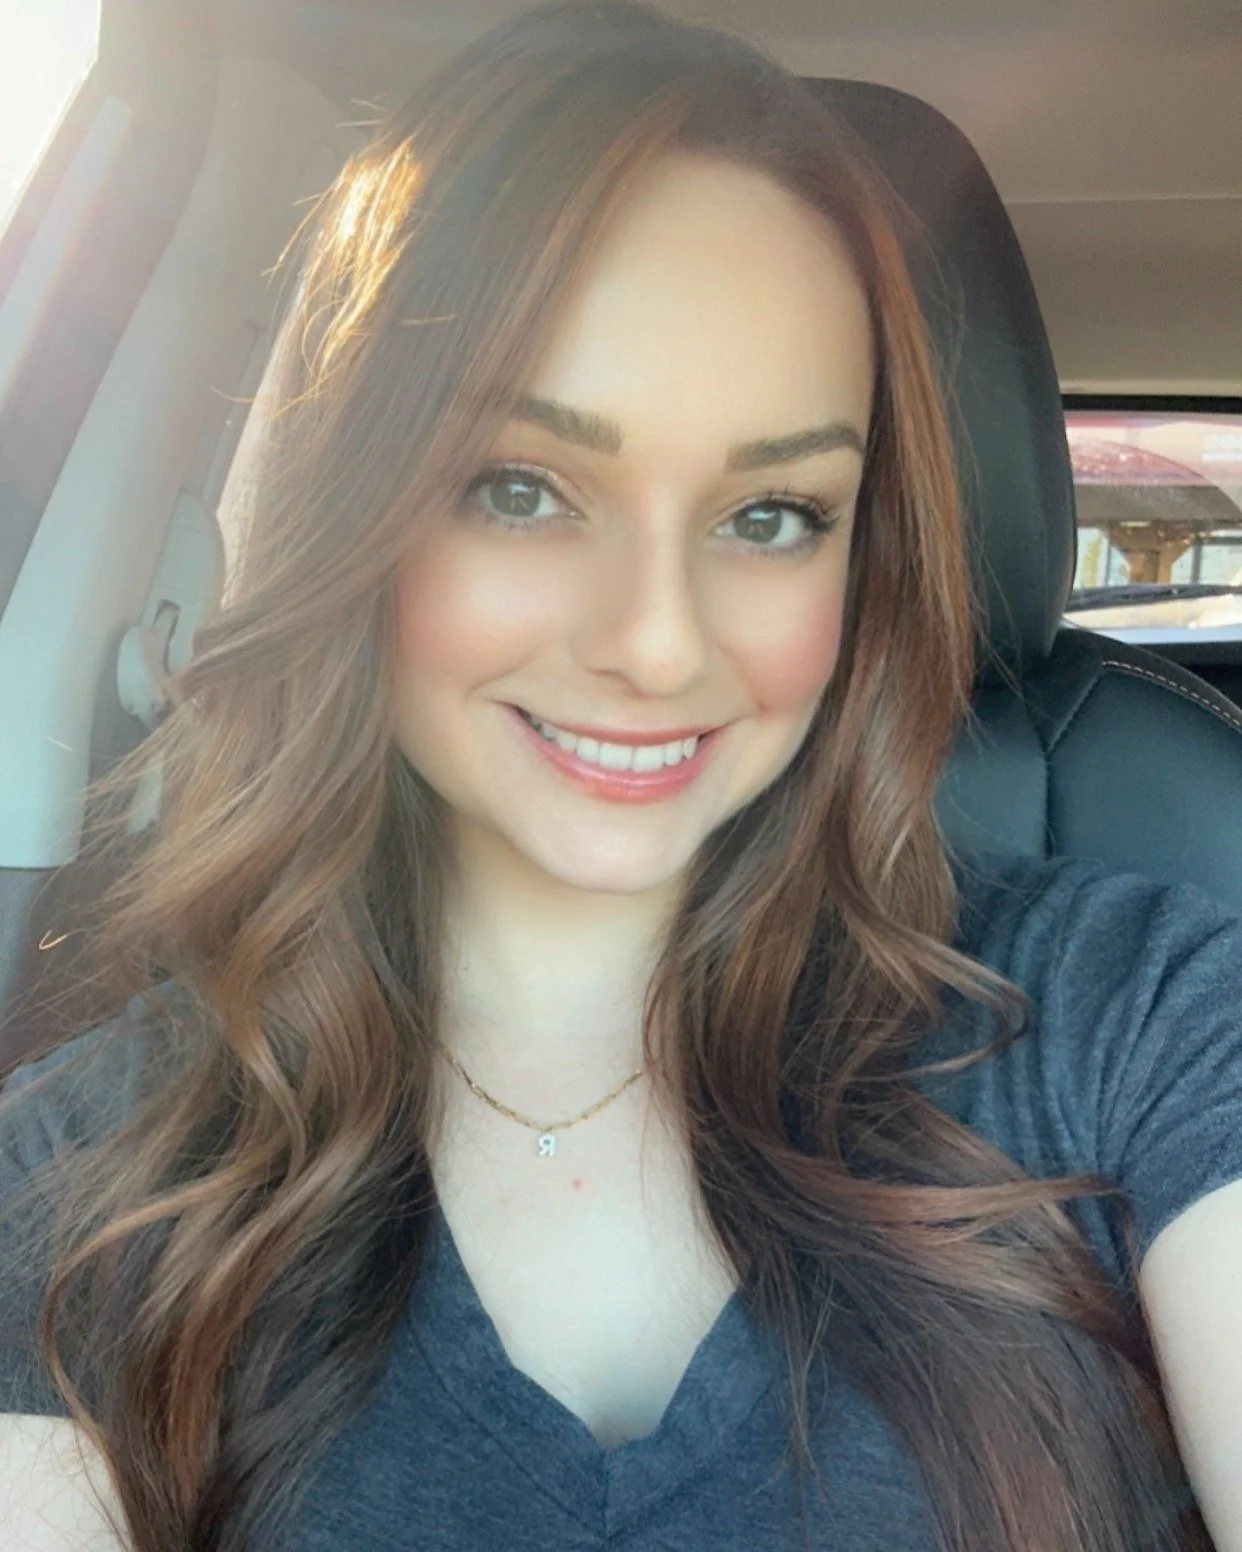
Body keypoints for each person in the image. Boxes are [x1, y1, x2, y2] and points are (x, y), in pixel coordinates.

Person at [1, 4, 1240, 1550]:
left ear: (862, 552)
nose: (656, 645)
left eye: (771, 515)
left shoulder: (1141, 1018)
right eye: (523, 489)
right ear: (358, 510)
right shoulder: (85, 1179)